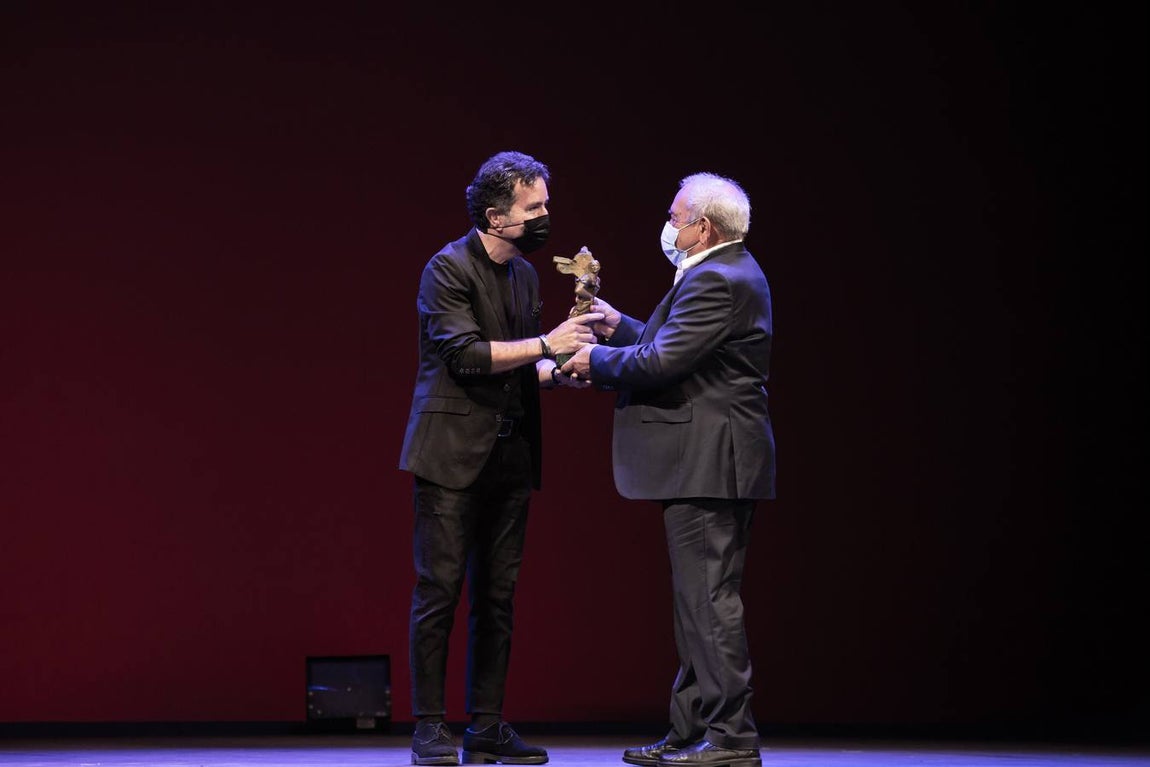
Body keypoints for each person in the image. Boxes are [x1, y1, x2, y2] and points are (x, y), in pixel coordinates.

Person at [563, 172, 774, 767]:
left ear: (702, 227)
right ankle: (689, 731)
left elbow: (664, 362)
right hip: (704, 461)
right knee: (695, 601)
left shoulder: (717, 277)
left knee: (708, 598)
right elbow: (675, 345)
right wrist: (618, 327)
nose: (669, 226)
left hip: (710, 461)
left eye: (676, 216)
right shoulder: (722, 274)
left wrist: (593, 359)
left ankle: (731, 738)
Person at [398, 150, 600, 766]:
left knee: (499, 595)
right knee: (440, 590)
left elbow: (520, 364)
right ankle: (431, 726)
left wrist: (558, 370)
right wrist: (546, 343)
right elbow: (463, 356)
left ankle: (486, 723)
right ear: (495, 216)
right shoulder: (446, 269)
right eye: (532, 208)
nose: (545, 217)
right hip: (452, 455)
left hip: (509, 453)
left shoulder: (527, 278)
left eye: (546, 204)